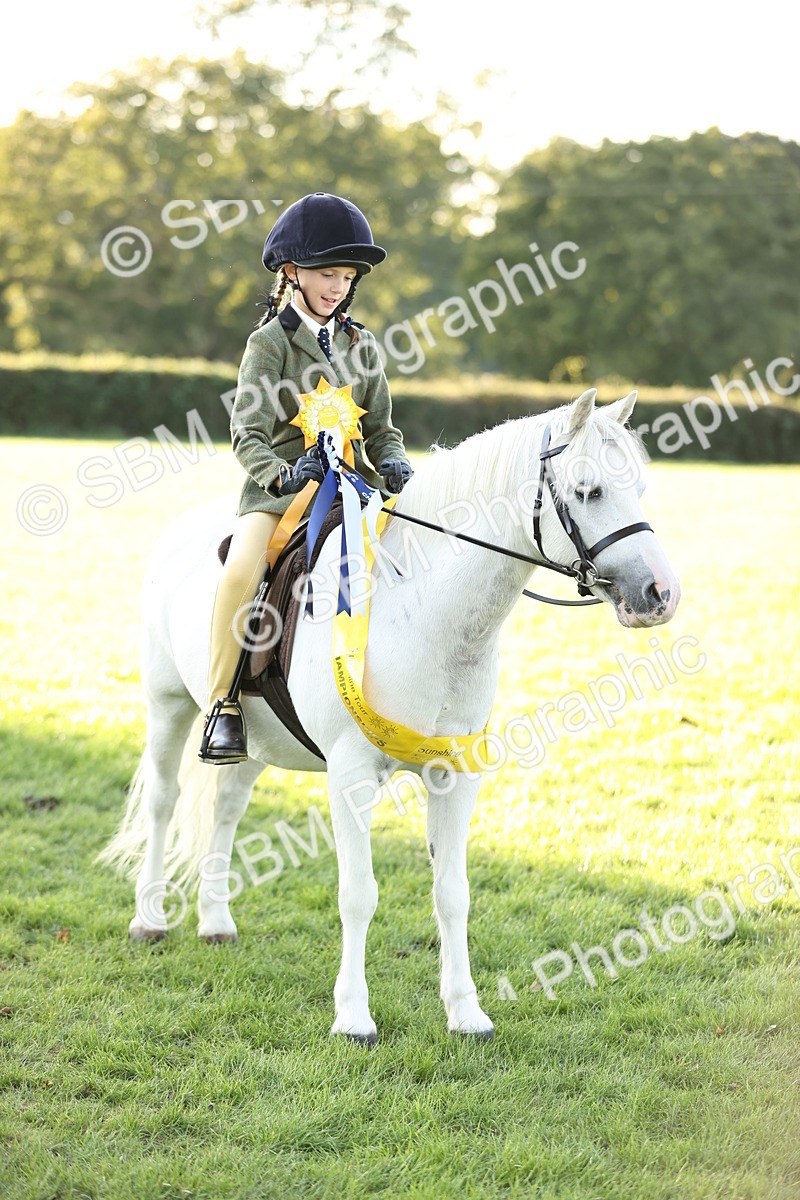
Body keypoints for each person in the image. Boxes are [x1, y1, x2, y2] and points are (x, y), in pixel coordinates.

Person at [199, 192, 413, 764]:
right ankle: (222, 705)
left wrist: (393, 460)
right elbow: (247, 434)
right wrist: (285, 475)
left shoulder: (362, 345)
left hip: (356, 491)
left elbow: (382, 430)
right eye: (326, 274)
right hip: (281, 495)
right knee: (242, 571)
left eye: (346, 277)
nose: (337, 287)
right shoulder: (268, 344)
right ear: (292, 272)